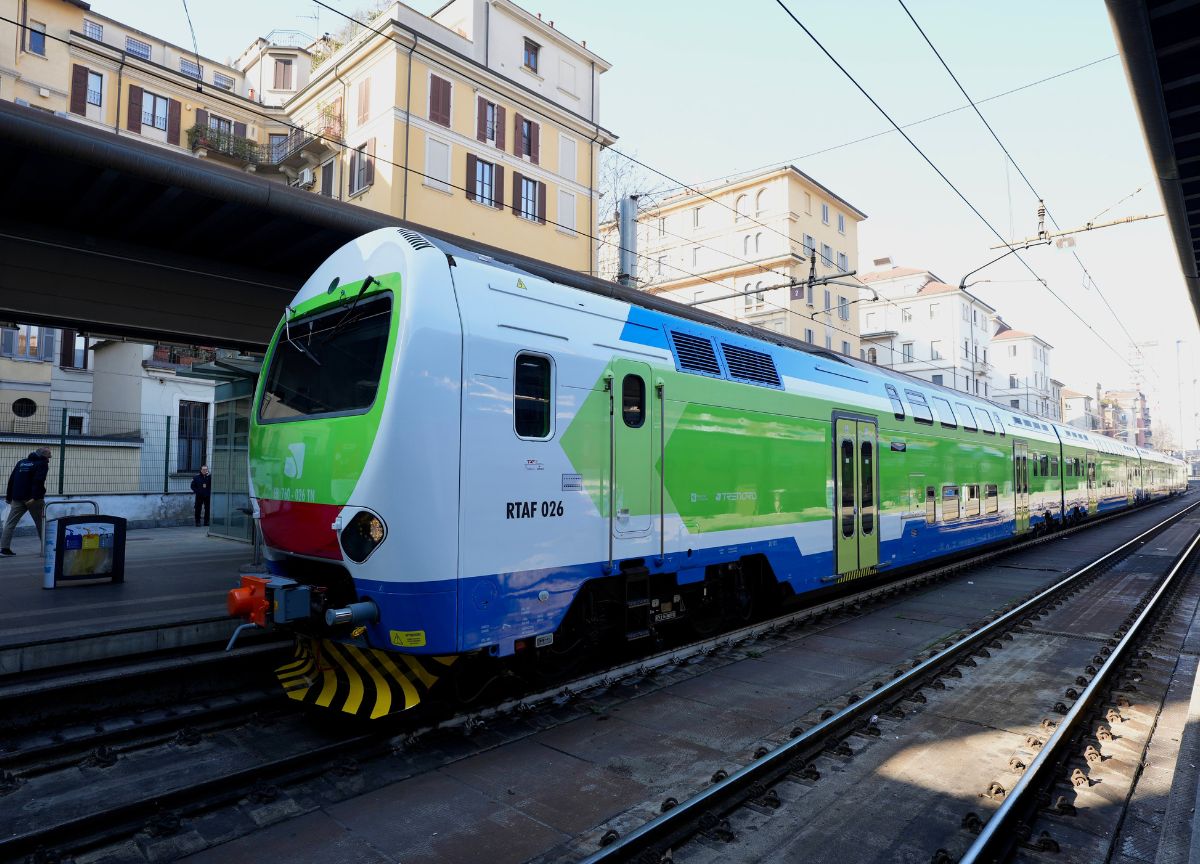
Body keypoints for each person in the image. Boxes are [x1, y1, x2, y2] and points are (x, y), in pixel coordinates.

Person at [1, 447, 51, 556]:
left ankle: (4, 549)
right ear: (42, 455)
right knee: (41, 523)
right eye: (49, 455)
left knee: (10, 523)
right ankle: (47, 548)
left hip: (17, 498)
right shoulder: (42, 464)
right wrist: (35, 497)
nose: (49, 458)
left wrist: (9, 497)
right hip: (33, 500)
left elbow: (12, 480)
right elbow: (39, 481)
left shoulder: (21, 463)